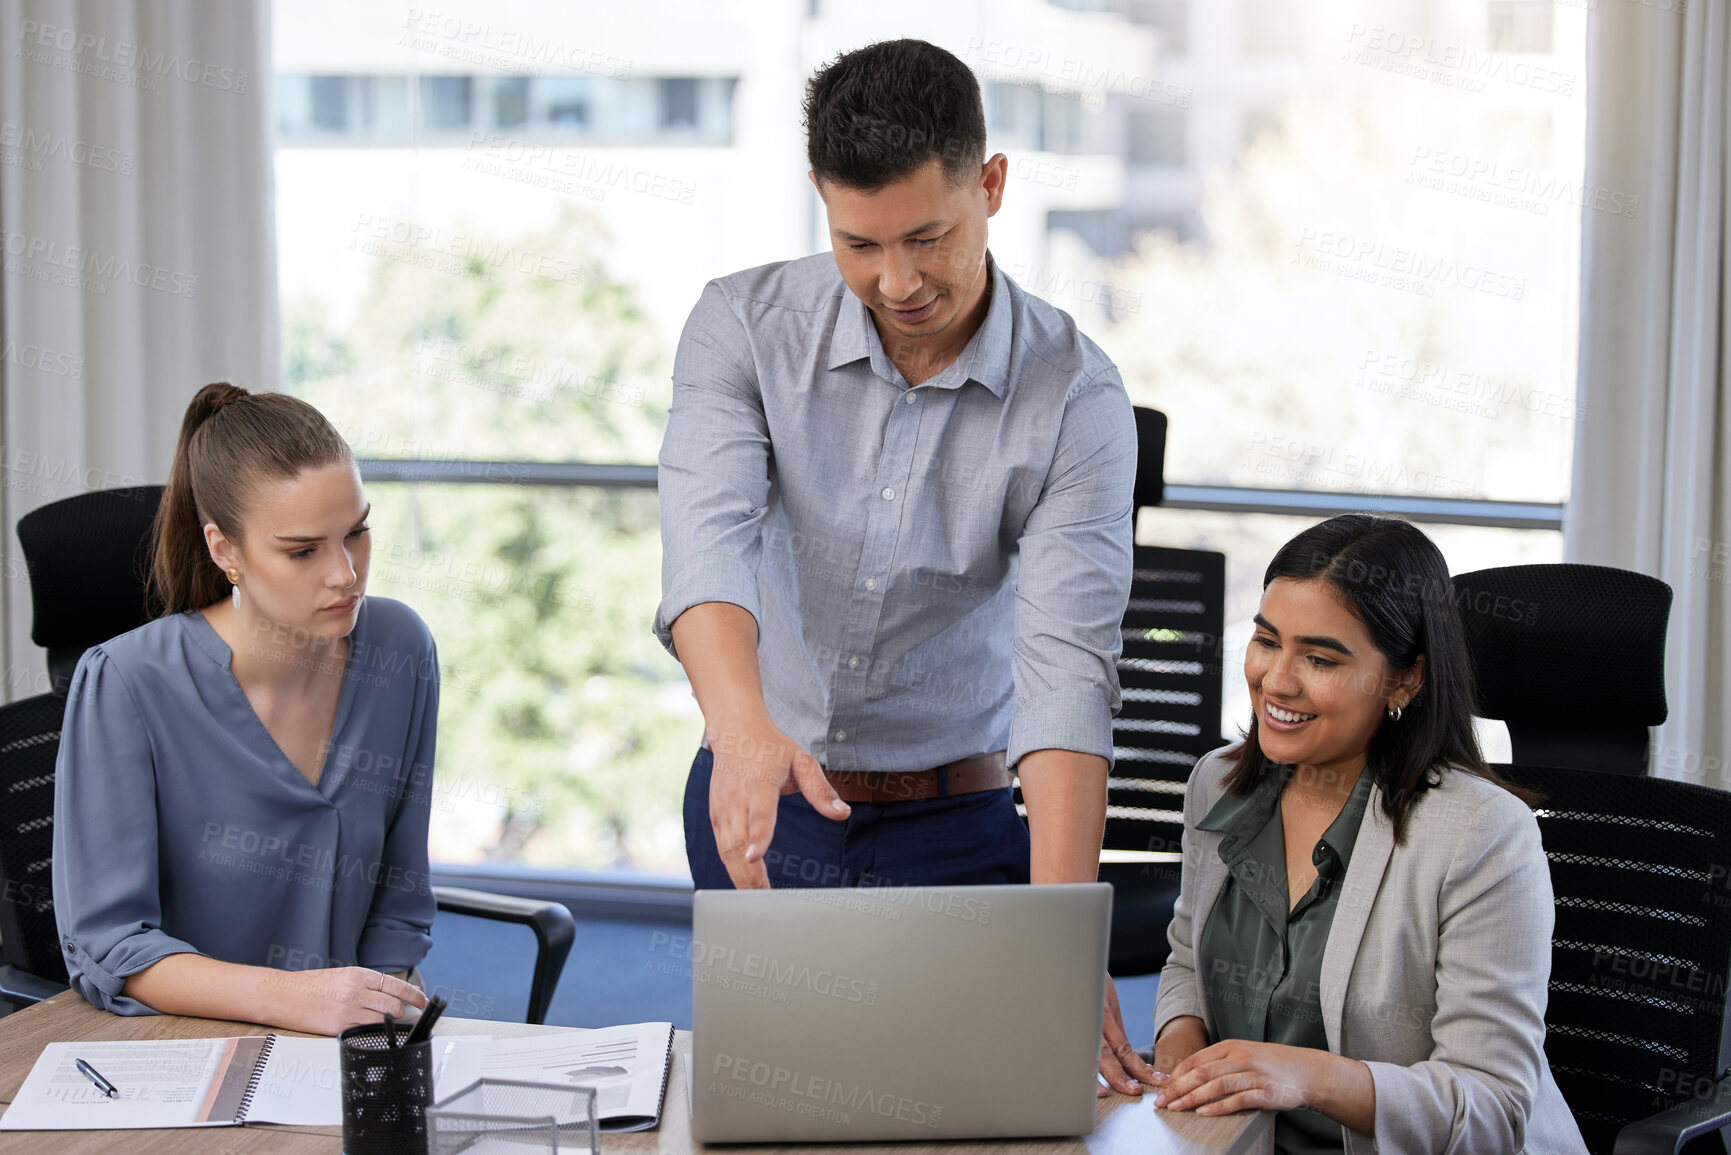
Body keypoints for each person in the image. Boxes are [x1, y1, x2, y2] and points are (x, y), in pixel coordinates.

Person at [653, 38, 1154, 1093]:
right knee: (774, 1108)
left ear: (993, 184)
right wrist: (740, 733)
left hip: (956, 825)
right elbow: (710, 538)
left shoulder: (1077, 400)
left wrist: (1065, 936)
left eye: (929, 236)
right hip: (765, 794)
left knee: (975, 1112)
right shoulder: (741, 326)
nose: (898, 280)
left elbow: (1066, 673)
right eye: (860, 243)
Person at [1149, 514, 1588, 1152]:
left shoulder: (1481, 834)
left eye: (1321, 658)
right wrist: (1180, 1047)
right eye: (1267, 640)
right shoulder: (1218, 784)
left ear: (1404, 680)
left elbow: (1493, 1109)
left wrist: (1315, 1078)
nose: (1276, 680)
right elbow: (1187, 958)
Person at [52, 383, 435, 1035]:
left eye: (357, 532)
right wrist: (294, 999)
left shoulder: (400, 650)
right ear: (225, 549)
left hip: (339, 1050)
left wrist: (383, 1016)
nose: (345, 573)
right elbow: (111, 943)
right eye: (302, 550)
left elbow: (398, 900)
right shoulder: (127, 682)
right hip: (174, 1044)